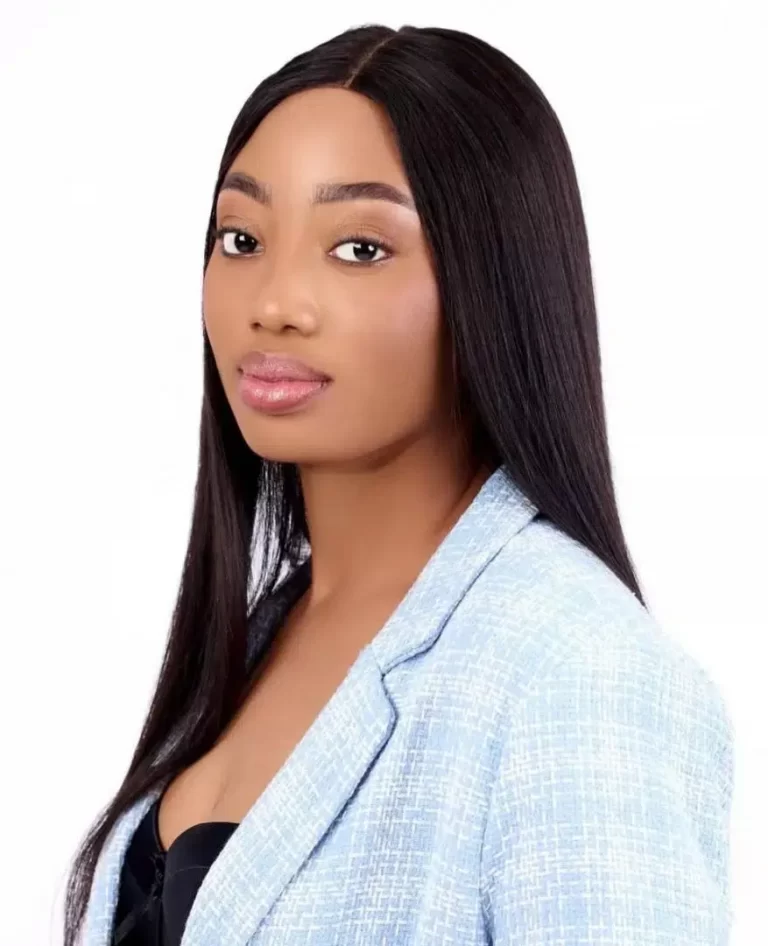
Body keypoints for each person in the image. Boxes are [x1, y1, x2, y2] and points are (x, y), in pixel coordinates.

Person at [63, 22, 734, 946]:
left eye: (360, 249)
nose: (274, 304)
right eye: (242, 237)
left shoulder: (577, 672)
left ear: (495, 280)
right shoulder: (261, 634)